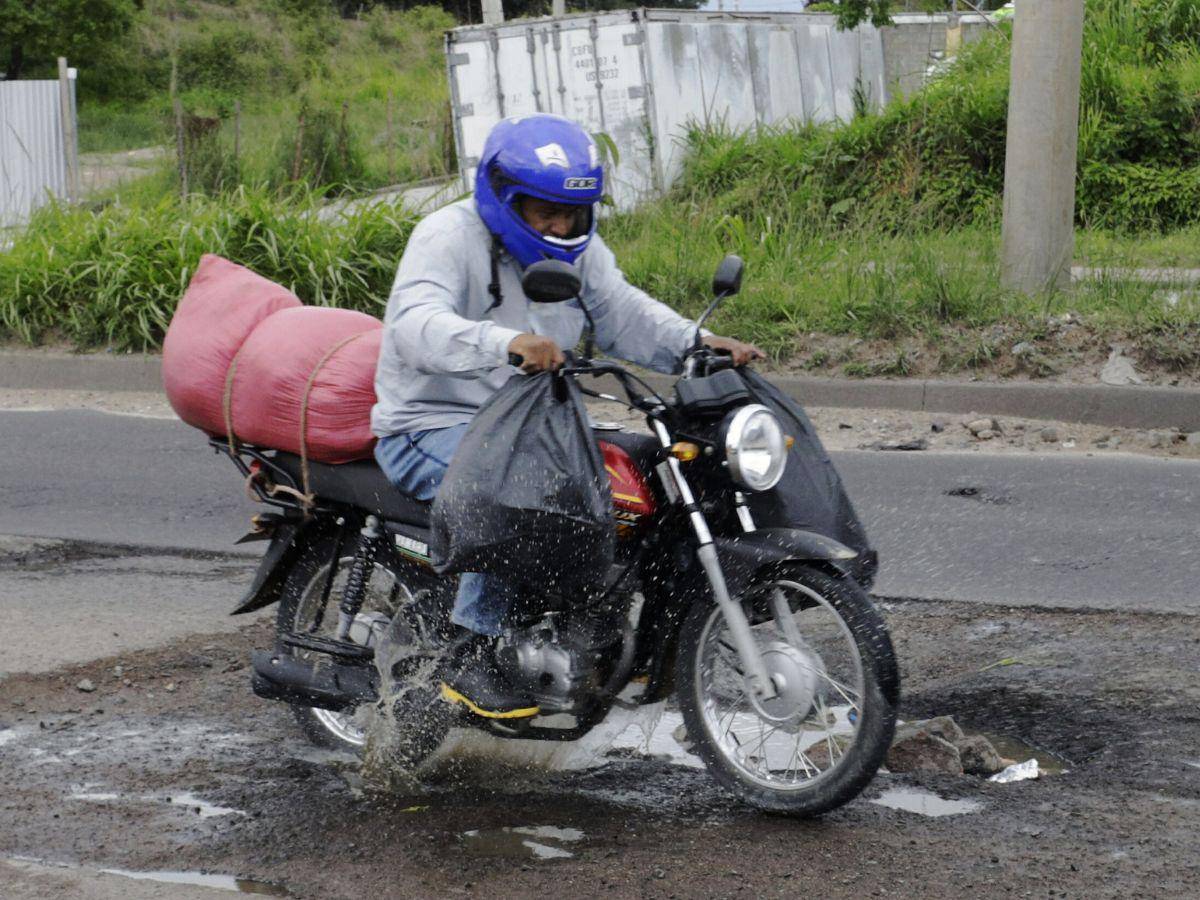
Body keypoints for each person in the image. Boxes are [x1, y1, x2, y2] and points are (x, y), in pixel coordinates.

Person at [371, 113, 762, 717]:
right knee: (515, 490)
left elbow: (621, 313)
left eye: (571, 214)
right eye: (543, 212)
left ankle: (587, 622)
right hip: (433, 422)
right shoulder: (448, 236)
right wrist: (503, 342)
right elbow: (414, 323)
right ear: (504, 199)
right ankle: (470, 652)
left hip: (532, 424)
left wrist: (697, 342)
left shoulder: (584, 254)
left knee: (632, 484)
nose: (559, 226)